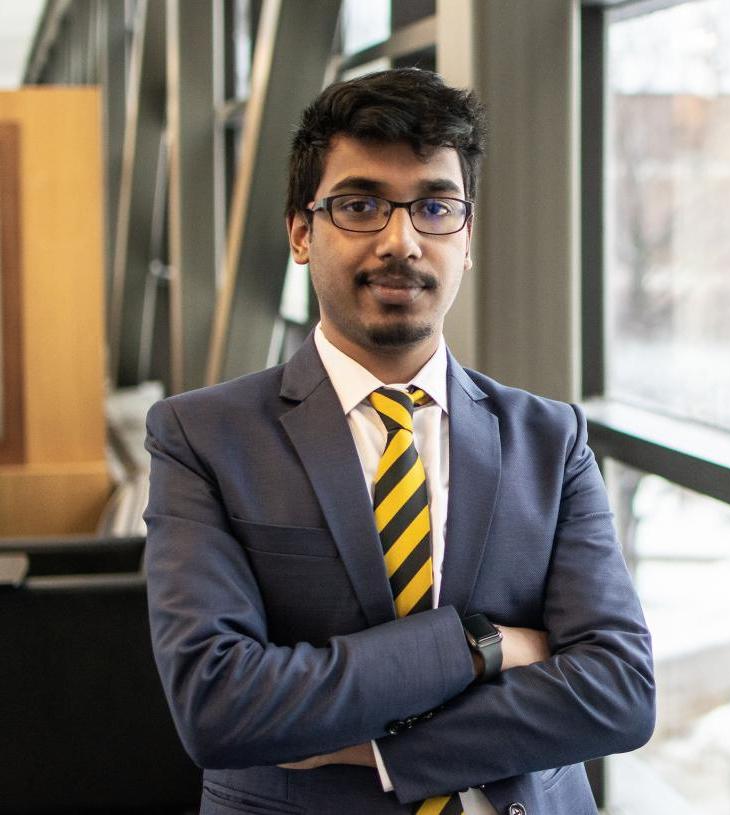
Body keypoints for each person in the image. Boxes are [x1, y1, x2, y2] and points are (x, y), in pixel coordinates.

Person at [144, 68, 654, 815]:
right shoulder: (204, 437)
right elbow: (219, 705)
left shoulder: (551, 437)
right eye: (360, 206)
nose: (401, 241)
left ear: (467, 237)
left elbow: (621, 691)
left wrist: (385, 749)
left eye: (434, 207)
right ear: (299, 231)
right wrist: (483, 645)